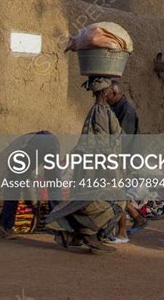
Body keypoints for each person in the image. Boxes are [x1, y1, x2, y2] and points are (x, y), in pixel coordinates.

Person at [45, 77, 125, 253]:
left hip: (91, 164)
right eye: (110, 91)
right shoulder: (101, 112)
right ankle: (89, 235)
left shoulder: (100, 110)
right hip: (96, 166)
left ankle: (81, 234)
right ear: (106, 92)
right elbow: (103, 143)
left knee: (89, 199)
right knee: (112, 201)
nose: (113, 94)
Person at [104, 79, 146, 243]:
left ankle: (122, 233)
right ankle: (137, 217)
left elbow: (123, 141)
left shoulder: (126, 111)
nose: (104, 97)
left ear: (114, 93)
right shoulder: (113, 107)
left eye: (106, 94)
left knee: (117, 194)